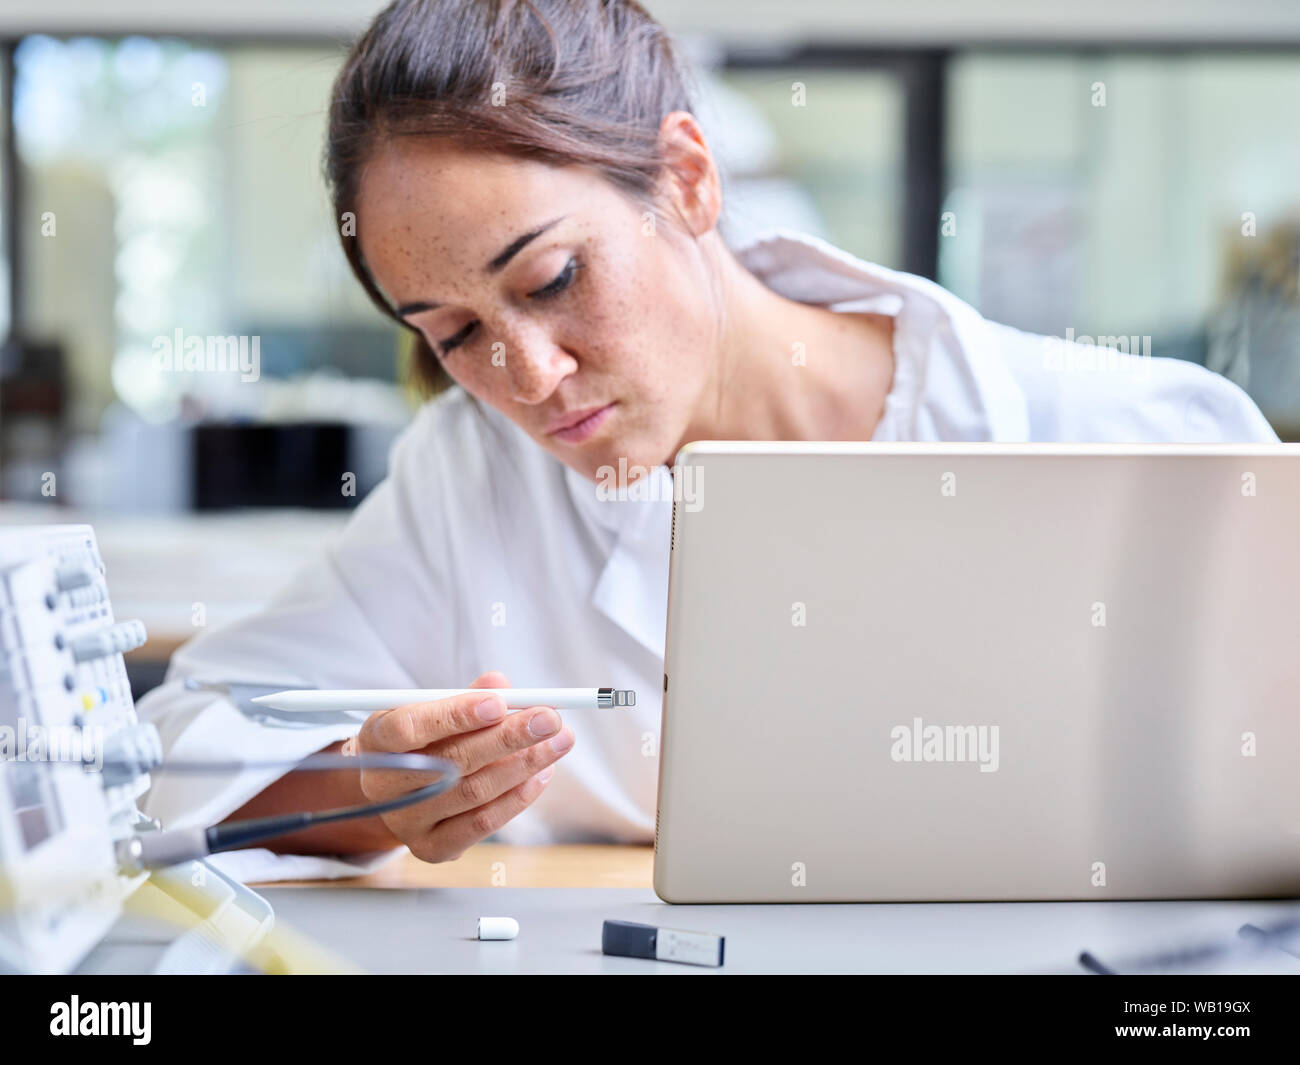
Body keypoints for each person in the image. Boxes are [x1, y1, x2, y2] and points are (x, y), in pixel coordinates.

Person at [135, 0, 1279, 880]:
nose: (527, 378)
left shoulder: (1127, 434)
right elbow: (169, 762)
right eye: (454, 336)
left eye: (553, 278)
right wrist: (372, 792)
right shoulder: (474, 483)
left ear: (684, 178)